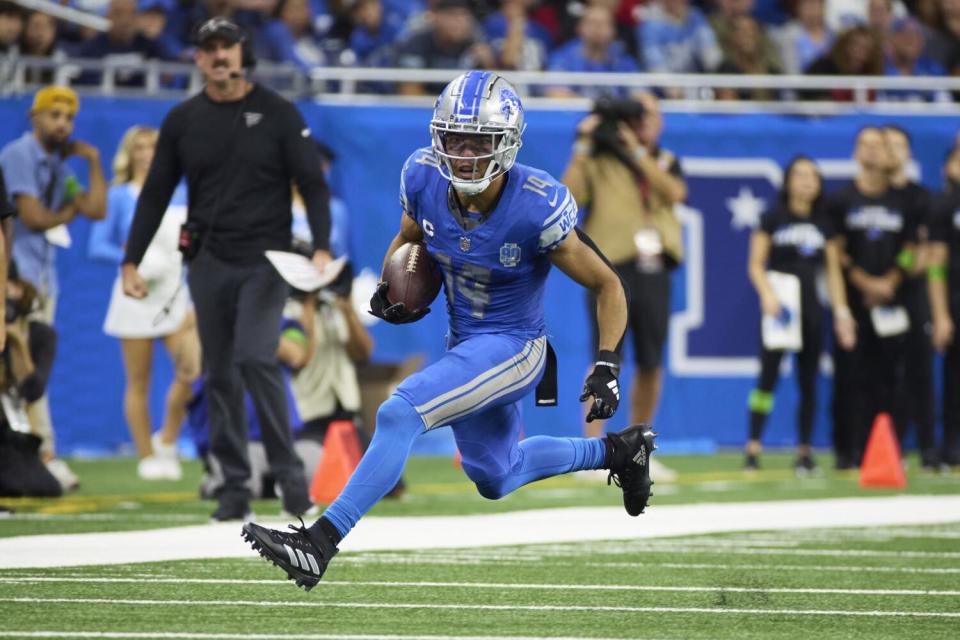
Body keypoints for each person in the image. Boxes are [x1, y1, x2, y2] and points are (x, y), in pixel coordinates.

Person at [242, 71, 658, 590]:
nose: (462, 154)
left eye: (477, 142)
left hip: (515, 347)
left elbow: (608, 283)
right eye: (453, 139)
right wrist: (393, 290)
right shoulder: (422, 178)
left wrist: (607, 364)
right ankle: (620, 451)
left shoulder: (535, 202)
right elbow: (407, 242)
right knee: (496, 475)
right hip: (465, 343)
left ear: (505, 145)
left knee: (398, 413)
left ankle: (320, 542)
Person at [121, 17, 332, 521]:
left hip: (267, 261)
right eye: (209, 47)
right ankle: (232, 486)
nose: (219, 56)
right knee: (218, 373)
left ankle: (290, 482)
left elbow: (314, 183)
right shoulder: (182, 120)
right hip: (208, 260)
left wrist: (322, 247)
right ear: (197, 57)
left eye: (227, 47)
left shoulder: (279, 113)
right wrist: (130, 258)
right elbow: (154, 195)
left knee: (258, 358)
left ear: (243, 54)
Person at [562, 92, 683, 482]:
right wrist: (582, 144)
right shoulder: (597, 159)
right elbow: (569, 198)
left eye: (649, 114)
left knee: (651, 360)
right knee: (606, 356)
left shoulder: (662, 159)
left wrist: (635, 152)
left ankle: (640, 447)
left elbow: (674, 193)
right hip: (612, 269)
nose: (644, 121)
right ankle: (592, 448)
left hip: (655, 266)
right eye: (637, 115)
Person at [0, 85, 107, 492]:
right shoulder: (18, 155)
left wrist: (94, 161)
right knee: (25, 370)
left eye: (69, 117)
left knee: (29, 370)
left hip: (41, 280)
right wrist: (67, 211)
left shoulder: (59, 166)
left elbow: (96, 208)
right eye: (54, 115)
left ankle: (33, 451)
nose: (62, 124)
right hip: (13, 278)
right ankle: (43, 452)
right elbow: (33, 216)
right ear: (35, 117)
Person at [88, 126, 201, 481]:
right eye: (140, 147)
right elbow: (97, 245)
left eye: (153, 147)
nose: (147, 153)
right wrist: (131, 259)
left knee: (191, 370)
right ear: (130, 152)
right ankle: (147, 455)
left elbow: (191, 244)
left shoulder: (182, 192)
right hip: (134, 295)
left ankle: (167, 438)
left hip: (173, 294)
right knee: (138, 380)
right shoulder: (120, 195)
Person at [743, 156, 855, 474]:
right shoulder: (773, 217)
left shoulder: (824, 224)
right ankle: (753, 447)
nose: (807, 181)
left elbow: (833, 274)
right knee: (767, 380)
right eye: (800, 174)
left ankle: (803, 451)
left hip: (812, 311)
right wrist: (767, 295)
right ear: (788, 181)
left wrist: (842, 313)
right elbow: (755, 263)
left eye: (812, 176)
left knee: (809, 383)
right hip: (780, 310)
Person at [826, 127, 917, 469]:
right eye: (866, 145)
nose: (873, 151)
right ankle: (847, 451)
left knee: (890, 379)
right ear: (855, 153)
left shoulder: (902, 201)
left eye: (879, 145)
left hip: (893, 302)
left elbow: (911, 249)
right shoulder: (841, 201)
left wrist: (892, 279)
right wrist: (862, 283)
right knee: (850, 378)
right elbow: (835, 254)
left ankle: (888, 451)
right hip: (855, 304)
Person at [883, 125, 939, 468]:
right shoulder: (870, 196)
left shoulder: (920, 198)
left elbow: (921, 250)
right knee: (883, 375)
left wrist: (896, 274)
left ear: (908, 152)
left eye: (897, 145)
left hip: (911, 295)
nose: (889, 151)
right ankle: (889, 446)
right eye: (885, 145)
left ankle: (928, 447)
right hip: (877, 298)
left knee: (920, 372)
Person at [928, 141, 960, 468]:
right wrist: (940, 314)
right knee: (954, 379)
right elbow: (936, 263)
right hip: (956, 300)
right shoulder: (945, 205)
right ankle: (951, 445)